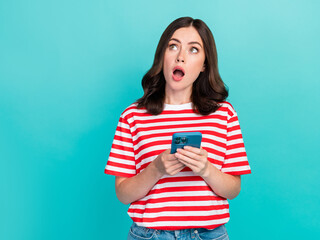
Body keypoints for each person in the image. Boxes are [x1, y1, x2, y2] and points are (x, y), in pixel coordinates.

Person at [104, 17, 251, 240]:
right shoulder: (133, 116)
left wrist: (205, 169)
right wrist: (156, 169)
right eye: (173, 46)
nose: (180, 56)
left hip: (208, 235)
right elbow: (123, 194)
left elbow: (233, 190)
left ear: (204, 65)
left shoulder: (224, 114)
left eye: (193, 49)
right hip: (149, 235)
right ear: (163, 56)